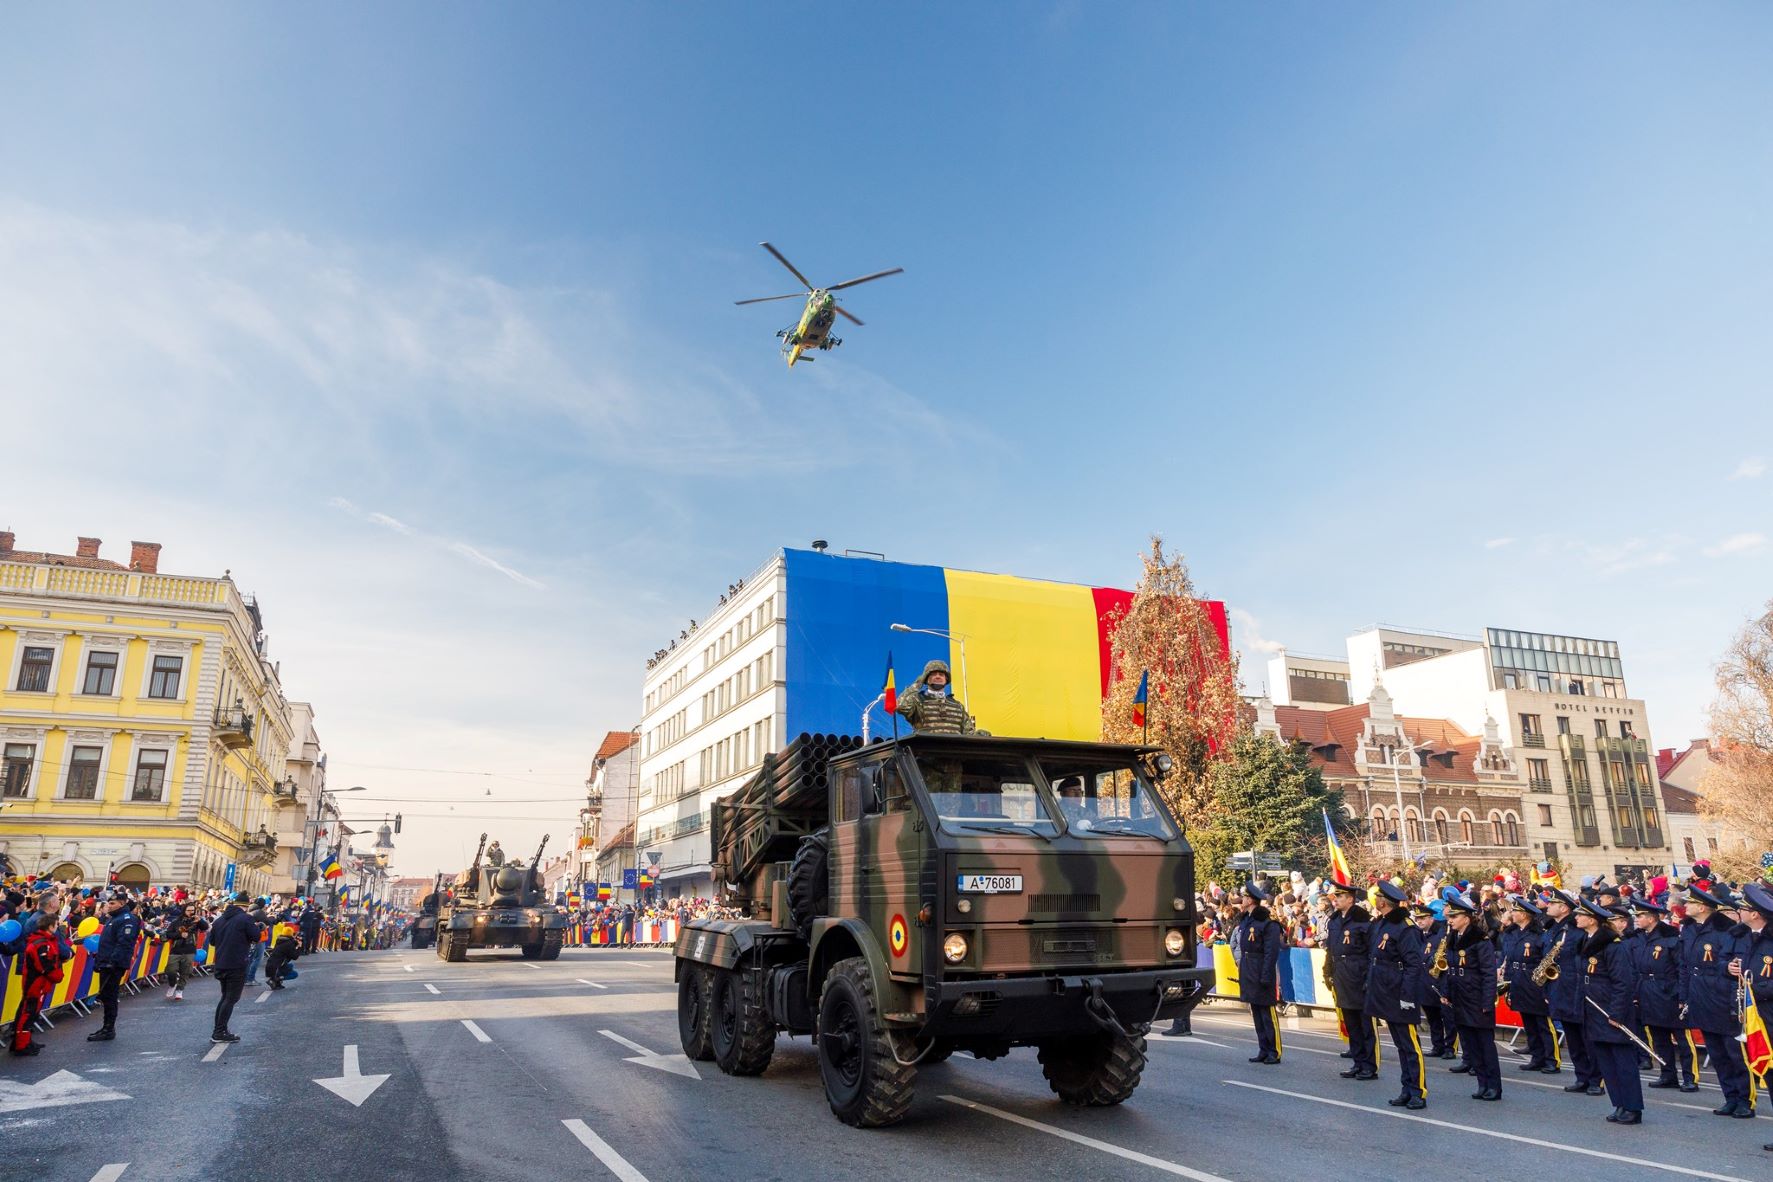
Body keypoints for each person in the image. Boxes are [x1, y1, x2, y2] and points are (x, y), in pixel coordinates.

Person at [1681, 883, 1754, 1117]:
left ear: (1702, 907)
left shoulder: (1728, 930)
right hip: (1700, 996)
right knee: (1718, 1053)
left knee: (1735, 1052)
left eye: (1690, 903)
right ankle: (1730, 1096)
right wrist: (1685, 996)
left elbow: (1736, 963)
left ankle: (1745, 1099)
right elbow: (1685, 966)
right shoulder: (1689, 930)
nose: (1685, 906)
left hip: (1723, 997)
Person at [1575, 897, 1645, 1124]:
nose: (1576, 917)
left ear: (1592, 920)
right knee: (1606, 1061)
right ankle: (1619, 1104)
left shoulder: (1613, 946)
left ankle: (1633, 1107)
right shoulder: (1587, 941)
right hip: (1594, 1010)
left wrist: (1616, 1013)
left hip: (1611, 1011)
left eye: (1580, 914)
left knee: (1623, 1062)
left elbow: (1622, 983)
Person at [1367, 881, 1427, 1108]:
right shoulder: (1381, 924)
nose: (1375, 900)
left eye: (1378, 897)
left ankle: (1418, 1091)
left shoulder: (1405, 927)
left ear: (1384, 901)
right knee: (1401, 1045)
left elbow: (1413, 965)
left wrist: (1407, 996)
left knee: (1410, 1045)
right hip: (1386, 991)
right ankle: (1406, 1087)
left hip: (1401, 992)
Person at [1630, 898, 1697, 1091]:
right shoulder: (1640, 938)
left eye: (1640, 916)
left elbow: (1681, 968)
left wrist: (1681, 995)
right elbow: (1636, 968)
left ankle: (1690, 1077)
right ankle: (1668, 1074)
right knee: (1659, 1038)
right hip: (1647, 992)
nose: (1637, 919)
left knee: (1682, 1038)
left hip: (1668, 991)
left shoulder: (1671, 938)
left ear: (1651, 919)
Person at [1544, 888, 1604, 1096]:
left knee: (1587, 1037)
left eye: (1552, 904)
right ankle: (1582, 1076)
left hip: (1576, 988)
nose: (1547, 906)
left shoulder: (1575, 930)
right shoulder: (1553, 928)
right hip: (1559, 987)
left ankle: (1596, 1079)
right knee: (1573, 1037)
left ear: (1563, 908)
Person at [1728, 881, 1773, 1153]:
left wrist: (1751, 985)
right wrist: (1730, 968)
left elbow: (1760, 981)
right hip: (1757, 1018)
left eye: (1743, 908)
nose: (1739, 911)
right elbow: (1744, 970)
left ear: (1756, 914)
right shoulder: (1749, 939)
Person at [1442, 894, 1501, 1101]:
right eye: (1450, 916)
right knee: (1470, 1044)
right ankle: (1482, 1083)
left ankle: (1493, 1085)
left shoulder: (1480, 939)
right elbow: (1451, 969)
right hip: (1460, 997)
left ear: (1466, 918)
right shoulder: (1453, 938)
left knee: (1485, 1044)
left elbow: (1488, 973)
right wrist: (1447, 993)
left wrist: (1487, 1002)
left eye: (1454, 916)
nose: (1450, 920)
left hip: (1476, 998)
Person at [1324, 880, 1377, 1081]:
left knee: (1364, 1024)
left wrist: (1368, 978)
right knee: (1351, 1023)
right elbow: (1331, 949)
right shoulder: (1335, 920)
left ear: (1350, 899)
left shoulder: (1363, 922)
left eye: (1339, 897)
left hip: (1358, 973)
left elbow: (1371, 953)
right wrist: (1328, 971)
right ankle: (1358, 1061)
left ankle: (1369, 1065)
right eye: (1335, 897)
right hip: (1341, 974)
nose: (1335, 900)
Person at [1501, 896, 1558, 1073]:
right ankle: (1537, 1056)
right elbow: (1509, 958)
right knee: (1529, 1022)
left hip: (1534, 980)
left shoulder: (1539, 935)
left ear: (1525, 915)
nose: (1512, 914)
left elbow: (1546, 960)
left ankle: (1551, 1059)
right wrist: (1508, 980)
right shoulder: (1513, 933)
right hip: (1518, 980)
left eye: (1515, 911)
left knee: (1542, 1023)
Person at [1234, 883, 1284, 1064]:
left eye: (1244, 898)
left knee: (1267, 1013)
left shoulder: (1268, 924)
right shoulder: (1247, 921)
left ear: (1250, 900)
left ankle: (1274, 1050)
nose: (1242, 902)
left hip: (1261, 969)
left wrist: (1266, 975)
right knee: (1256, 1012)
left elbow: (1271, 952)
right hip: (1249, 969)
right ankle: (1263, 1048)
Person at [9, 906, 65, 1057]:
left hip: (38, 983)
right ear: (50, 926)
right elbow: (45, 966)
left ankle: (24, 1041)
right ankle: (21, 1044)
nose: (58, 927)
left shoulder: (44, 941)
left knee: (30, 1013)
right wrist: (58, 976)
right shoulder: (40, 943)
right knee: (28, 1013)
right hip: (35, 983)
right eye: (56, 924)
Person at [86, 892, 142, 1043]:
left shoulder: (127, 919)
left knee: (110, 996)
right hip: (106, 962)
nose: (109, 906)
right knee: (106, 996)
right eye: (109, 903)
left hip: (114, 965)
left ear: (122, 903)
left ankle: (108, 1028)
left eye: (112, 903)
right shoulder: (114, 919)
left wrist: (112, 962)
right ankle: (107, 1027)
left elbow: (124, 943)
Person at [208, 891, 262, 1044]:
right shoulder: (246, 919)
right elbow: (256, 937)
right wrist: (258, 927)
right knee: (230, 998)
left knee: (225, 997)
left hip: (221, 963)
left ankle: (219, 1030)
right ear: (246, 907)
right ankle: (219, 1032)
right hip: (236, 963)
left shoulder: (219, 921)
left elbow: (212, 941)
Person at [1410, 904, 1455, 1059]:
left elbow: (1446, 952)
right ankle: (1438, 1046)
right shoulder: (1418, 934)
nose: (1419, 921)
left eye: (1422, 918)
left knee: (1447, 1017)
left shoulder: (1442, 932)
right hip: (1425, 981)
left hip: (1440, 980)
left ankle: (1450, 1048)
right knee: (1432, 1016)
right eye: (1417, 919)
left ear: (1430, 918)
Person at [895, 660, 986, 735]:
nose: (938, 676)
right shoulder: (917, 701)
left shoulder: (957, 706)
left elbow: (968, 733)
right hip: (925, 753)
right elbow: (901, 706)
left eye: (941, 675)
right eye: (933, 674)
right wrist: (918, 683)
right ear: (926, 679)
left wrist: (978, 734)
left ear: (946, 680)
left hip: (954, 753)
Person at [162, 907, 205, 1003]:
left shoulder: (196, 921)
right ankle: (172, 984)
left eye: (192, 910)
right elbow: (168, 934)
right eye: (189, 910)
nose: (191, 912)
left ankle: (179, 990)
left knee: (186, 971)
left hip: (189, 950)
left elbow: (205, 927)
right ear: (184, 911)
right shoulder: (176, 922)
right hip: (176, 950)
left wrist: (200, 921)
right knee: (170, 970)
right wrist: (179, 935)